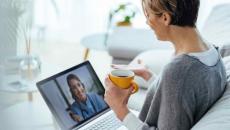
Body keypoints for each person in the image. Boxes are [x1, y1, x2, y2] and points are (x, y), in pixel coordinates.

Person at [104, 0, 227, 129]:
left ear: (165, 18)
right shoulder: (211, 51)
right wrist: (149, 76)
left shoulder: (179, 71)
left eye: (148, 15)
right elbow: (183, 97)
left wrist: (120, 110)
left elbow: (180, 82)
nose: (147, 22)